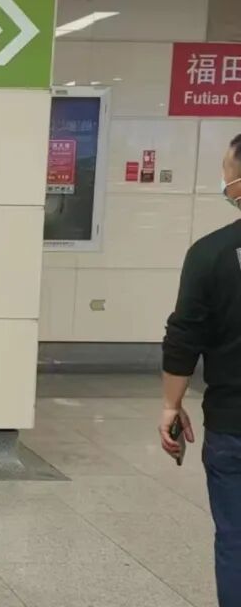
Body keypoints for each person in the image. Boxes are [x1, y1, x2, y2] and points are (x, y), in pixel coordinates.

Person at [160, 132, 241, 607]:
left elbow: (184, 336)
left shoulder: (211, 254)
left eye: (228, 172)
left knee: (235, 540)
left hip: (233, 423)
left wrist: (171, 405)